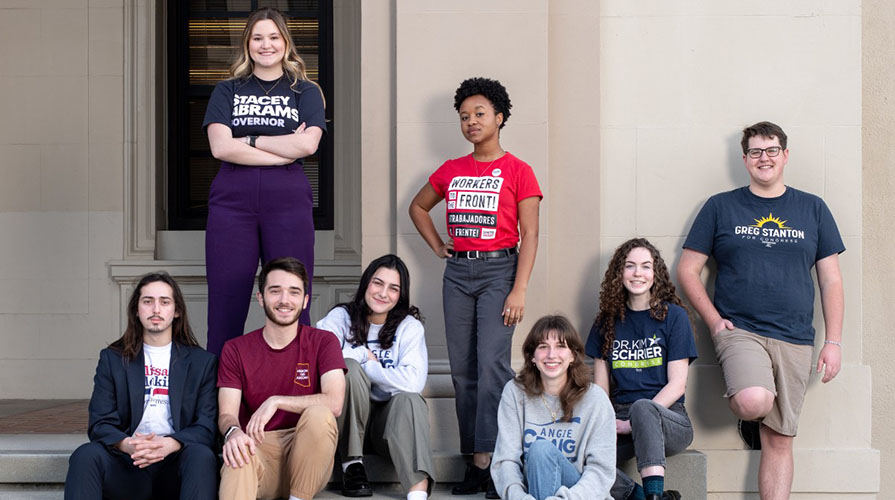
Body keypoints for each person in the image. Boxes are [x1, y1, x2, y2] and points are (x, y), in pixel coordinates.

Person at [677, 121, 845, 500]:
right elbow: (687, 269)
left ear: (785, 156)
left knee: (780, 440)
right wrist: (715, 322)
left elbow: (831, 281)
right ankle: (753, 409)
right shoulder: (721, 206)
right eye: (755, 152)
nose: (763, 158)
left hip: (795, 336)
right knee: (754, 400)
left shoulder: (813, 208)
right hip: (741, 331)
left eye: (771, 150)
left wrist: (833, 341)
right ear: (744, 159)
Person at [409, 77, 542, 496]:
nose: (471, 122)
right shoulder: (452, 170)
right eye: (464, 116)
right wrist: (437, 246)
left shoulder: (519, 170)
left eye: (480, 114)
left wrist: (519, 289)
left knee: (492, 368)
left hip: (499, 272)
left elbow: (531, 234)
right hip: (458, 275)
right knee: (464, 371)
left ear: (500, 118)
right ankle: (475, 461)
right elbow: (418, 207)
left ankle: (495, 460)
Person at [203, 7, 326, 356]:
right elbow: (220, 147)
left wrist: (251, 141)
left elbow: (307, 144)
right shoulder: (227, 90)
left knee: (291, 296)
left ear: (286, 43)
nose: (266, 44)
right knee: (226, 301)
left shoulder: (305, 91)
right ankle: (220, 403)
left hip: (288, 200)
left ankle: (297, 392)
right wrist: (281, 148)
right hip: (232, 201)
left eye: (273, 37)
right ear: (248, 44)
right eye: (258, 37)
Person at [64, 272, 218, 500]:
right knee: (85, 455)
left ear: (176, 311)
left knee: (201, 456)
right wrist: (128, 445)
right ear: (137, 310)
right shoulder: (113, 359)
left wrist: (170, 444)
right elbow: (100, 422)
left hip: (175, 463)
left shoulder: (201, 363)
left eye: (164, 302)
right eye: (148, 301)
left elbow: (206, 426)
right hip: (128, 463)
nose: (156, 309)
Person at [217, 257, 346, 500]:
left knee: (320, 414)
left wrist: (275, 401)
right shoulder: (236, 349)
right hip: (259, 451)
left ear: (305, 301)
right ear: (261, 298)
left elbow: (335, 402)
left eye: (294, 292)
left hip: (308, 455)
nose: (284, 300)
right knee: (238, 451)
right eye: (275, 291)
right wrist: (233, 432)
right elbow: (227, 414)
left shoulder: (323, 341)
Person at [586, 238, 698, 500]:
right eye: (630, 266)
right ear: (619, 273)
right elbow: (601, 390)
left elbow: (677, 385)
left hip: (668, 417)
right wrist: (610, 424)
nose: (638, 273)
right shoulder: (606, 322)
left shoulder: (674, 317)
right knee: (581, 456)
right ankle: (641, 497)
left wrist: (632, 423)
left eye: (646, 266)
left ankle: (653, 494)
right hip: (619, 416)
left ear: (655, 274)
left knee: (643, 407)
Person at [316, 254, 434, 500]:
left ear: (400, 295)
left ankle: (417, 492)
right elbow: (321, 358)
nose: (383, 293)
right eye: (378, 283)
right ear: (366, 283)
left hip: (387, 429)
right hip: (344, 424)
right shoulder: (341, 317)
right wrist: (361, 355)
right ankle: (352, 465)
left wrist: (371, 367)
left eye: (393, 288)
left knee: (410, 399)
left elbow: (413, 382)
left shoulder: (409, 326)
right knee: (347, 366)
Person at [491, 315, 615, 500]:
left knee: (541, 449)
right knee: (540, 451)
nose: (551, 355)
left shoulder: (595, 398)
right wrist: (520, 498)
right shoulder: (515, 393)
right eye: (543, 347)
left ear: (573, 355)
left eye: (560, 346)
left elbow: (600, 471)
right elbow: (505, 461)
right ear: (532, 356)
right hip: (532, 494)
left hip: (579, 495)